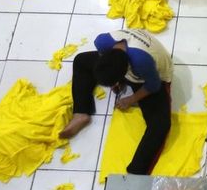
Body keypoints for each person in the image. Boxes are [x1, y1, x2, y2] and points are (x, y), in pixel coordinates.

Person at [61, 29, 173, 175]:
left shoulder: (141, 62)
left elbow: (154, 85)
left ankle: (135, 172)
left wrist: (130, 99)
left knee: (160, 124)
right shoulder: (102, 42)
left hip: (150, 75)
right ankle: (81, 113)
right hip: (125, 66)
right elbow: (102, 60)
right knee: (81, 60)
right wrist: (114, 80)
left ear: (126, 70)